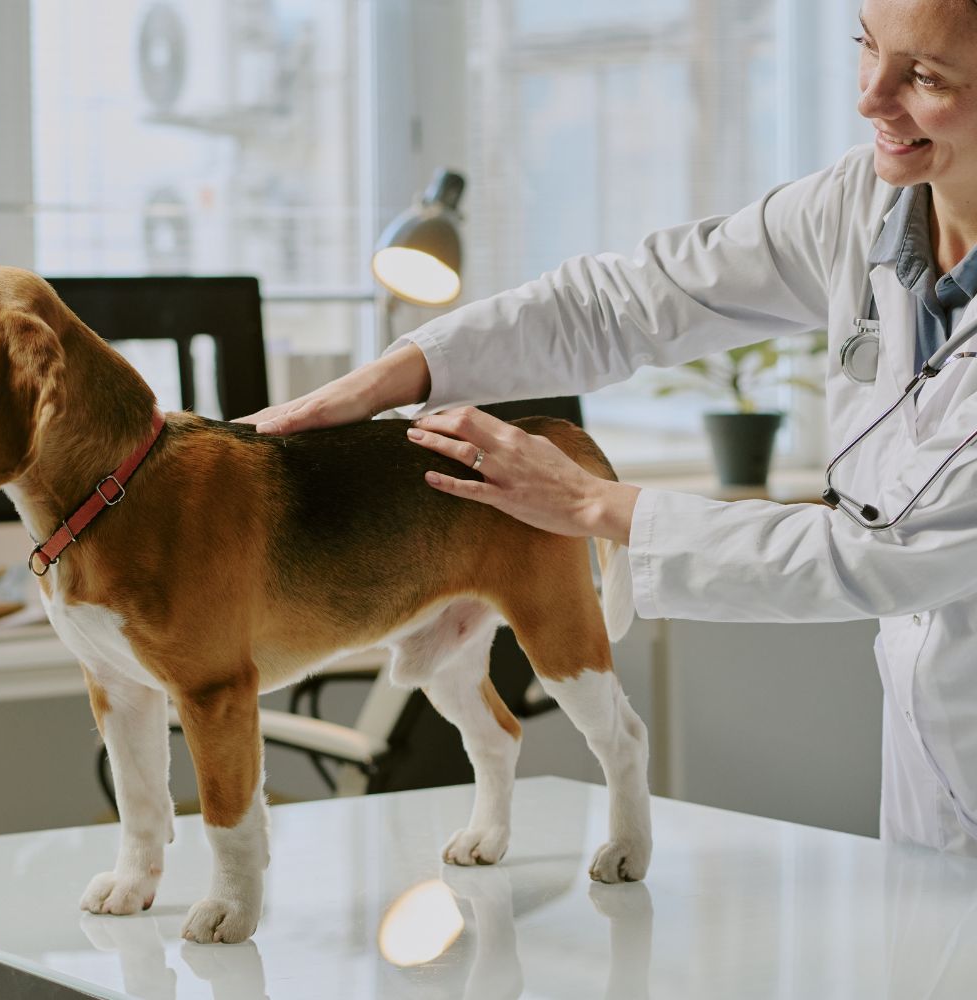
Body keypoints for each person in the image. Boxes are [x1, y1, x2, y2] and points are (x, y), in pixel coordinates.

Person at [239, 0, 977, 858]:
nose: (870, 98)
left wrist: (597, 507)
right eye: (867, 46)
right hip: (929, 761)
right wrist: (388, 377)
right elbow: (623, 302)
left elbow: (877, 556)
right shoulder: (866, 203)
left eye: (924, 78)